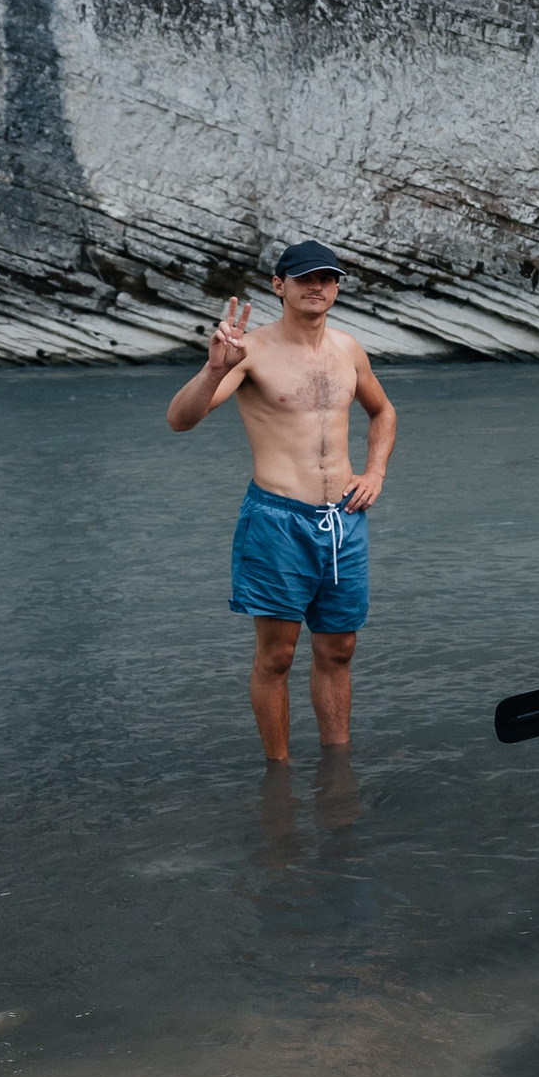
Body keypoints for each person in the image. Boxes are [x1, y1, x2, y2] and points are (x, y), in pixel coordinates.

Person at [166, 241, 399, 764]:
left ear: (336, 288)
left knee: (338, 649)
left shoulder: (348, 349)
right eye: (304, 278)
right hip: (278, 520)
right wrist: (213, 369)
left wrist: (375, 472)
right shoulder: (250, 351)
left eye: (327, 279)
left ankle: (337, 767)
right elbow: (180, 420)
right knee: (277, 655)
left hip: (344, 521)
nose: (317, 287)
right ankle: (280, 774)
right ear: (279, 285)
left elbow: (383, 412)